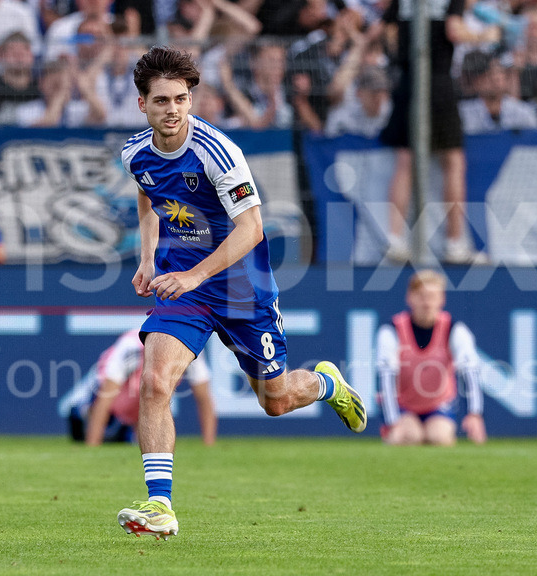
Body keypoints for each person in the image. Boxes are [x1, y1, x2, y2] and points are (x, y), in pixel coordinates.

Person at [116, 46, 366, 540]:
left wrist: (195, 275)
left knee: (275, 401)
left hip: (242, 291)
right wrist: (147, 258)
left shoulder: (218, 152)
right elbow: (147, 191)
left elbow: (251, 228)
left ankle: (327, 385)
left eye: (181, 99)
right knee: (155, 382)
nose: (173, 110)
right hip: (183, 289)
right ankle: (160, 505)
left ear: (191, 99)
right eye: (161, 100)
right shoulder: (134, 153)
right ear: (142, 104)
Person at [375, 0, 495, 264]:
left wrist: (402, 54)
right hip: (438, 82)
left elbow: (387, 30)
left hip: (408, 81)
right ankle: (454, 243)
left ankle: (394, 238)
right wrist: (485, 36)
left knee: (405, 160)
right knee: (453, 161)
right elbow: (454, 30)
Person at [376, 270, 487, 446]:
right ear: (409, 298)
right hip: (403, 406)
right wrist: (392, 422)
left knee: (439, 438)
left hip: (438, 405)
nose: (427, 302)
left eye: (433, 296)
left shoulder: (454, 329)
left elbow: (469, 370)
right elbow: (386, 378)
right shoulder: (391, 330)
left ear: (442, 299)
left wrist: (475, 413)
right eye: (421, 296)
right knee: (410, 436)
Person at [65, 328, 216, 447]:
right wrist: (92, 447)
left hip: (133, 407)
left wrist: (208, 445)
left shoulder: (189, 348)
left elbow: (204, 399)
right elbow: (104, 400)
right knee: (90, 430)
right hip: (97, 404)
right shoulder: (131, 348)